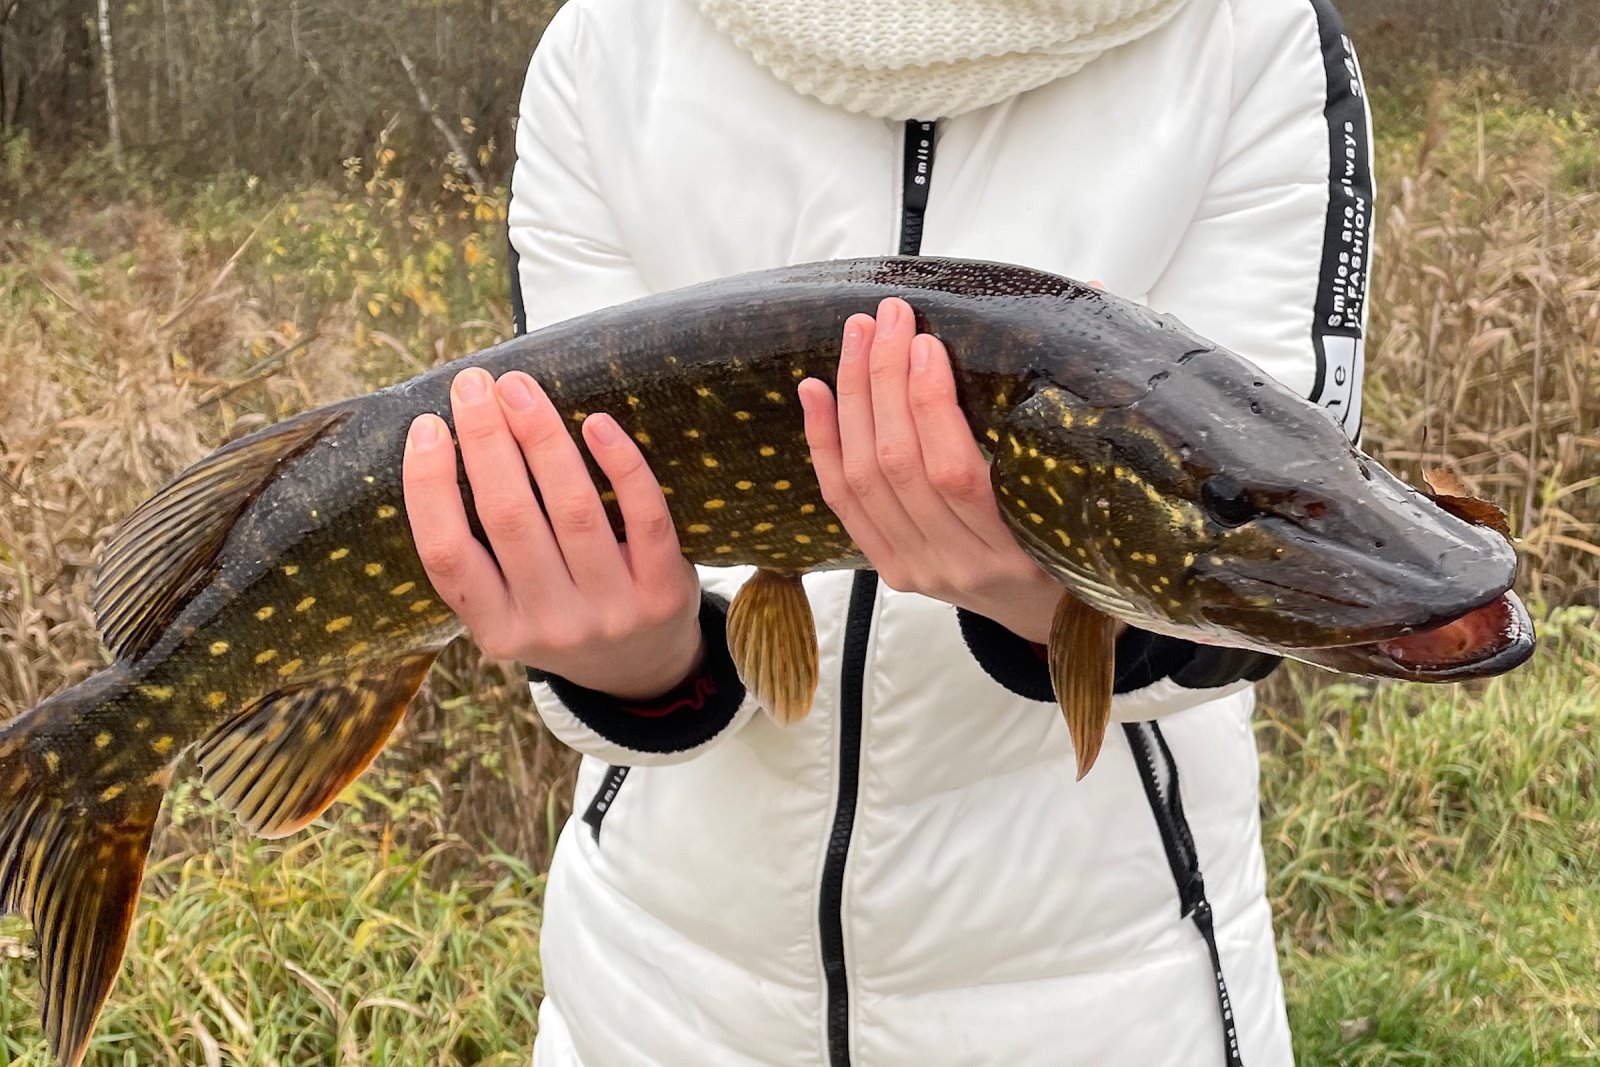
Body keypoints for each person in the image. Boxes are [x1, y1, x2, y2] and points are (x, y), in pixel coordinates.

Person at [400, 0, 1374, 1063]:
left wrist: (1046, 606)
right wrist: (635, 665)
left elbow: (1264, 542)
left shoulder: (1248, 34)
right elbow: (562, 495)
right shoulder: (607, 44)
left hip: (1106, 997)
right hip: (660, 998)